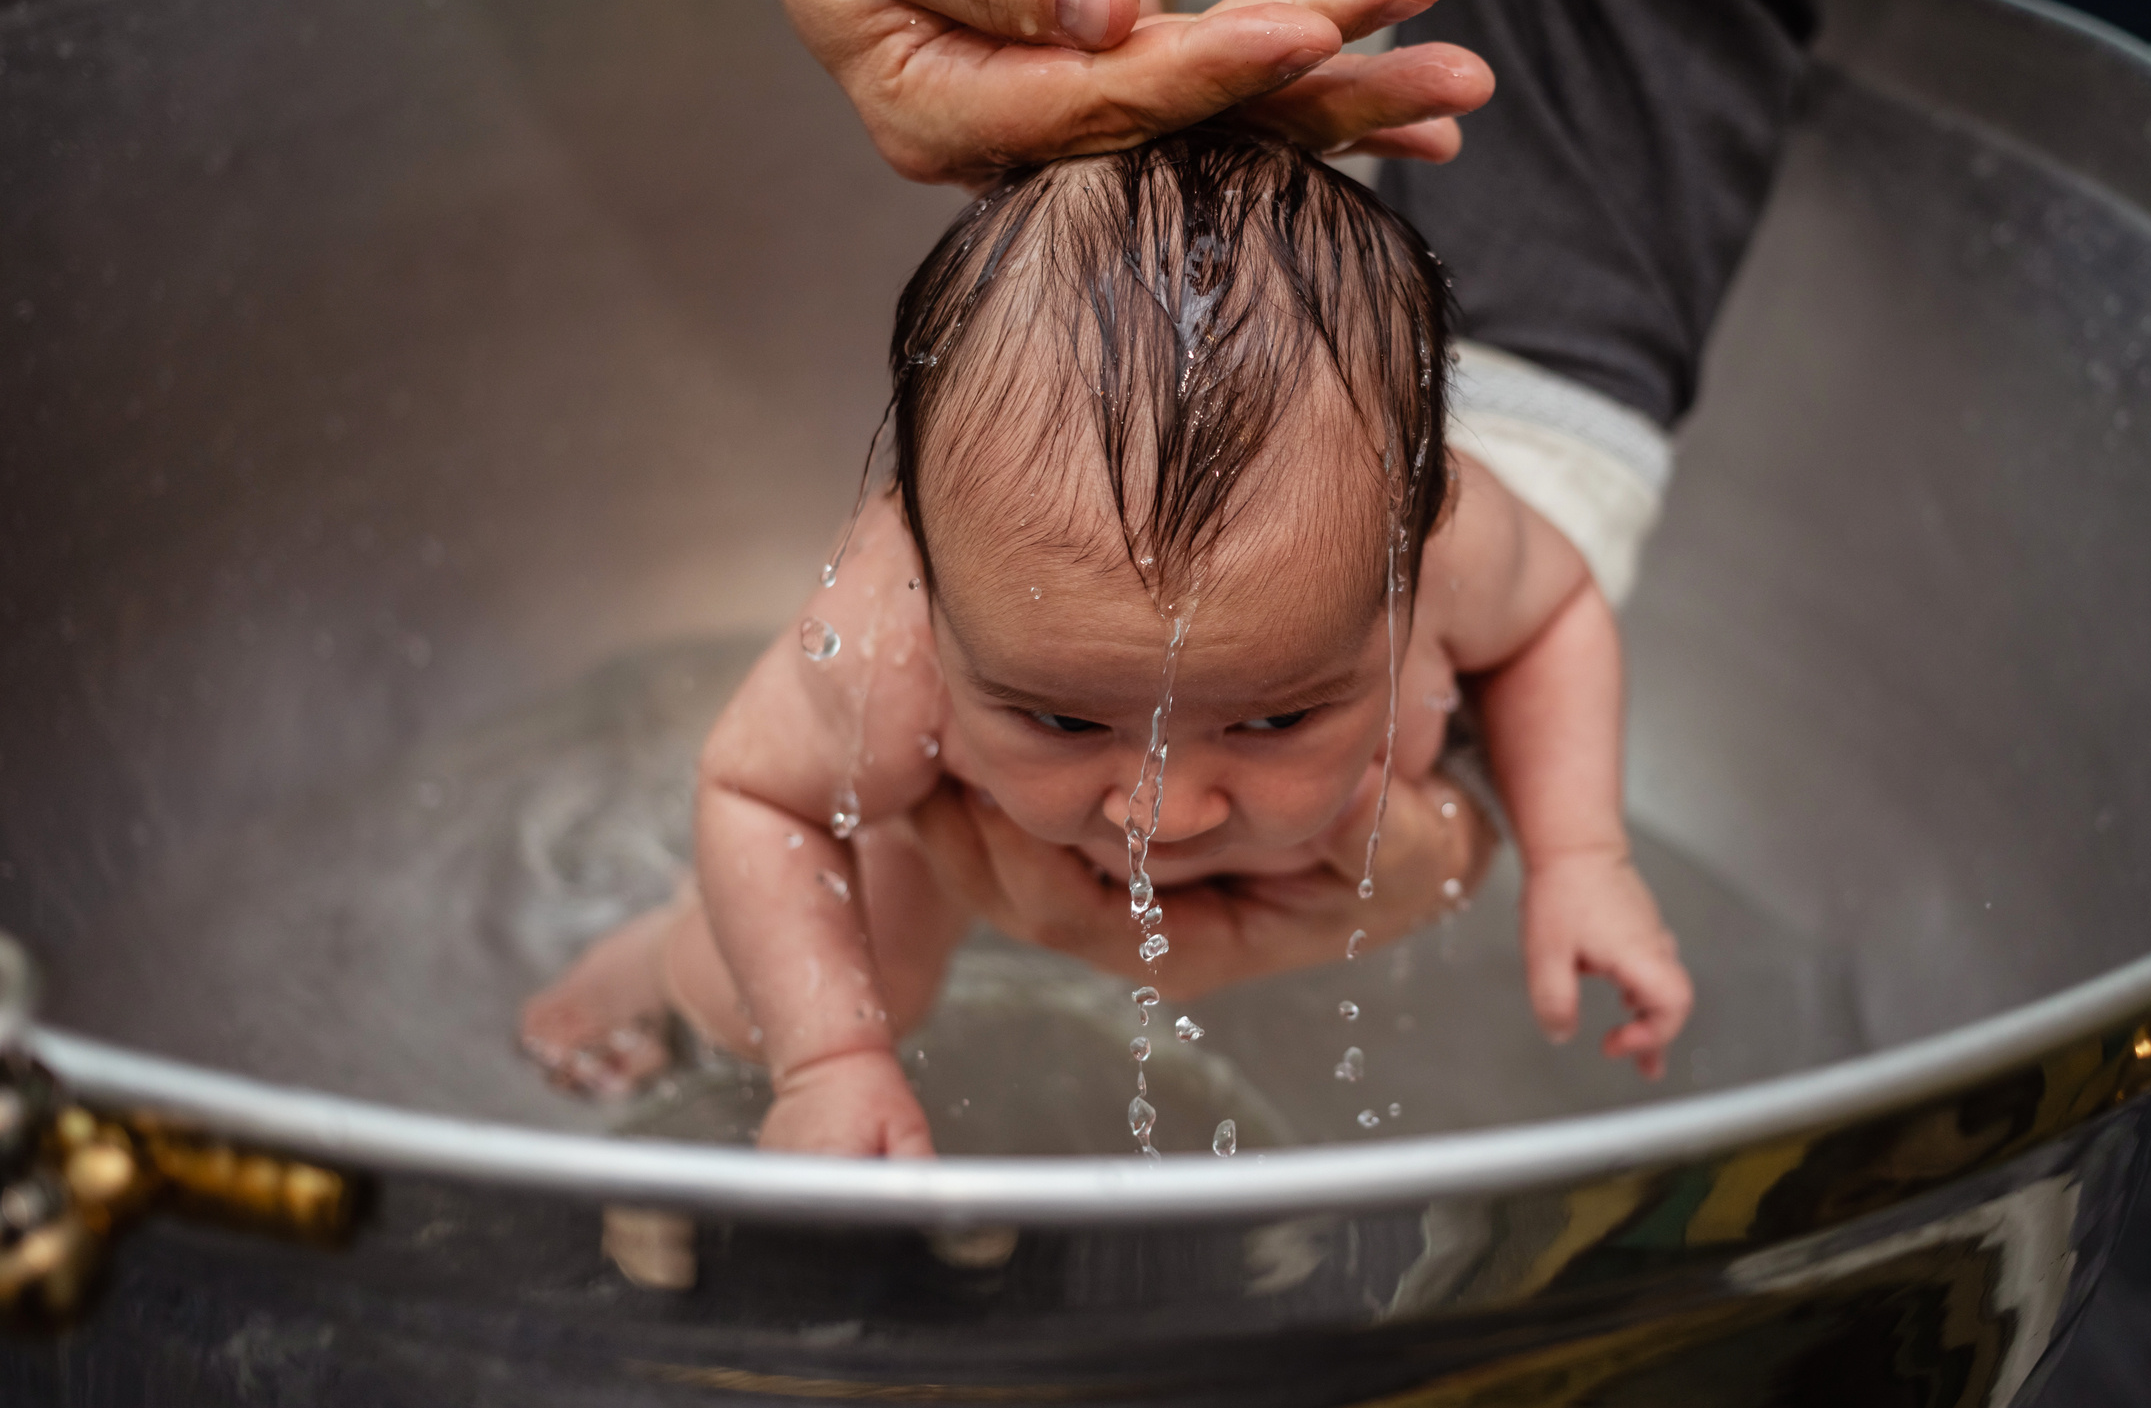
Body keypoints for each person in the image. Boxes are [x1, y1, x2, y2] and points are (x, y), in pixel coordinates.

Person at [520, 130, 1694, 1155]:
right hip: (939, 818)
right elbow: (754, 793)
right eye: (1064, 715)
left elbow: (1555, 617)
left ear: (1413, 555)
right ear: (927, 582)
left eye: (1278, 714)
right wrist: (828, 1065)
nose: (1163, 811)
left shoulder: (1454, 542)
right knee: (793, 989)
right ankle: (657, 959)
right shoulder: (889, 651)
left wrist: (1579, 856)